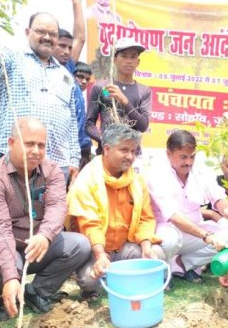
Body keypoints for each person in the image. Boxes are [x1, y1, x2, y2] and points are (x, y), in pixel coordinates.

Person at [0, 118, 90, 320]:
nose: (36, 150)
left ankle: (36, 293)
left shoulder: (52, 171)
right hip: (0, 244)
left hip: (36, 244)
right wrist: (11, 277)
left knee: (79, 245)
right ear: (11, 143)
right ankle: (1, 301)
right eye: (29, 143)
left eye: (41, 145)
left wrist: (45, 236)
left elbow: (57, 206)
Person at [0, 12, 81, 182]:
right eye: (41, 31)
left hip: (57, 164)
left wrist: (74, 160)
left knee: (53, 209)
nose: (47, 37)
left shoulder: (66, 76)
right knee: (13, 208)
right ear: (28, 32)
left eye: (53, 34)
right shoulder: (12, 59)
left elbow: (71, 122)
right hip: (16, 161)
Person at [68, 124, 164, 296]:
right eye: (124, 150)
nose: (130, 156)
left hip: (124, 249)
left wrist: (146, 245)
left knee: (156, 254)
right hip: (95, 250)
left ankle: (125, 280)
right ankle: (105, 279)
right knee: (90, 282)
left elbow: (145, 219)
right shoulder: (87, 180)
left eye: (134, 151)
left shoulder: (136, 181)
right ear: (106, 149)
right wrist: (100, 255)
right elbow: (90, 224)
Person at [147, 130, 228, 283]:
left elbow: (218, 196)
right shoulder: (156, 172)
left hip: (194, 231)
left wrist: (227, 210)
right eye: (183, 157)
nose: (189, 162)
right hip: (167, 231)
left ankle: (184, 264)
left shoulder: (199, 168)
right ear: (168, 154)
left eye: (192, 156)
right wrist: (206, 236)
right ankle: (162, 272)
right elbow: (173, 215)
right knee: (170, 239)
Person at [85, 38, 152, 154]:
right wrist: (107, 140)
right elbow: (89, 124)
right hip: (106, 154)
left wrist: (124, 100)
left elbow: (143, 126)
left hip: (133, 156)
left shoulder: (144, 91)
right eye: (124, 56)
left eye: (133, 57)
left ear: (138, 62)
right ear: (115, 60)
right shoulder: (103, 88)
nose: (129, 61)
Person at [52, 0, 87, 74]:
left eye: (70, 48)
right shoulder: (39, 65)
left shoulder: (67, 65)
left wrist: (76, 1)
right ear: (51, 44)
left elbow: (80, 38)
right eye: (62, 46)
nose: (67, 52)